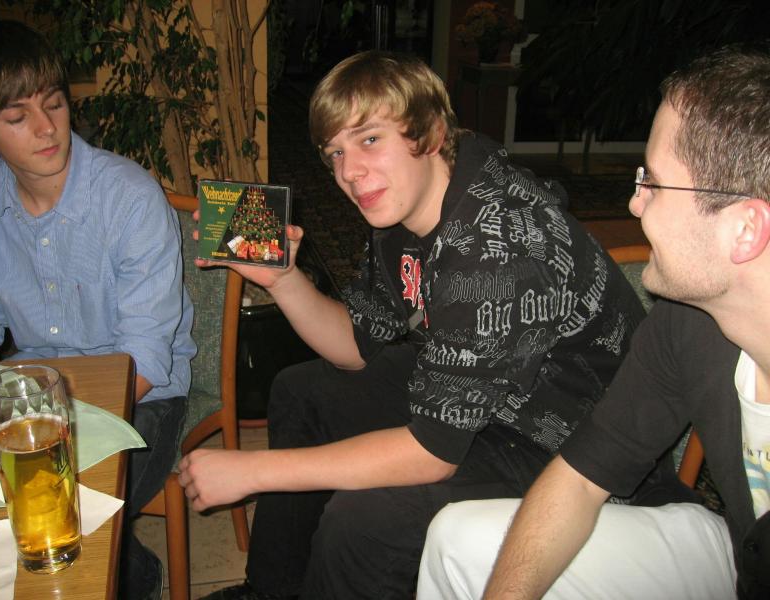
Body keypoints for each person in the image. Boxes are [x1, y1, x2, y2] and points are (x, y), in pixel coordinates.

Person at [178, 50, 657, 600]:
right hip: (482, 386)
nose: (349, 172)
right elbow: (355, 344)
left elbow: (432, 451)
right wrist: (283, 279)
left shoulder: (495, 249)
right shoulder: (405, 205)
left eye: (369, 139)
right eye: (336, 152)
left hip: (568, 443)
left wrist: (255, 471)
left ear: (430, 133)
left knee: (364, 521)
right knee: (301, 392)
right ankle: (272, 591)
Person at [417, 43, 770, 600]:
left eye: (654, 183)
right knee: (456, 537)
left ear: (746, 230)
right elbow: (580, 479)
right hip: (738, 546)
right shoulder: (687, 324)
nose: (634, 203)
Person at [0, 20, 195, 600]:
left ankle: (134, 579)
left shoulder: (130, 199)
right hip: (35, 388)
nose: (47, 128)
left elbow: (145, 358)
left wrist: (57, 432)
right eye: (17, 117)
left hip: (144, 395)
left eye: (54, 104)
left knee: (63, 512)